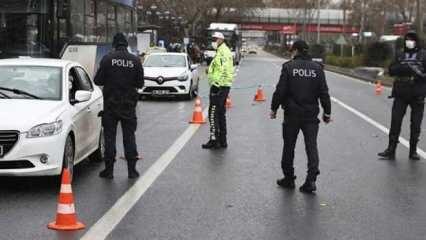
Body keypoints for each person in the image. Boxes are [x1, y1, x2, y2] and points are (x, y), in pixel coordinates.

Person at [270, 40, 331, 193]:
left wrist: (274, 108)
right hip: (311, 115)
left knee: (289, 146)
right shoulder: (318, 68)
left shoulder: (288, 67)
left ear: (296, 51)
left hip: (292, 114)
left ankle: (289, 178)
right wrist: (327, 112)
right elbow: (324, 93)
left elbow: (280, 90)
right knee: (311, 147)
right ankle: (311, 180)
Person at [94, 33, 144, 179]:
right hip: (128, 105)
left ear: (114, 44)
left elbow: (98, 80)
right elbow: (140, 83)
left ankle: (109, 171)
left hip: (110, 104)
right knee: (129, 137)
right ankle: (132, 171)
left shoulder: (107, 59)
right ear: (126, 44)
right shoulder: (135, 60)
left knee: (109, 138)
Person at [378, 32, 426, 161]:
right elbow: (392, 69)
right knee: (395, 121)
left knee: (415, 124)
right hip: (401, 92)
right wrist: (404, 68)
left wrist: (417, 73)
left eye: (411, 40)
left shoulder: (423, 54)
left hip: (417, 93)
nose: (408, 42)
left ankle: (413, 151)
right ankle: (391, 149)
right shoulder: (400, 54)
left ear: (416, 41)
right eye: (407, 39)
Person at [202, 32, 234, 149]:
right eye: (212, 39)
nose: (213, 41)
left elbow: (224, 70)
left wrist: (217, 86)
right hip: (222, 85)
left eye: (215, 39)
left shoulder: (223, 52)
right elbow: (219, 68)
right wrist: (210, 71)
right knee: (220, 114)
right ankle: (222, 140)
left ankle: (214, 140)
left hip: (219, 86)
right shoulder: (221, 51)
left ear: (221, 40)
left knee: (213, 113)